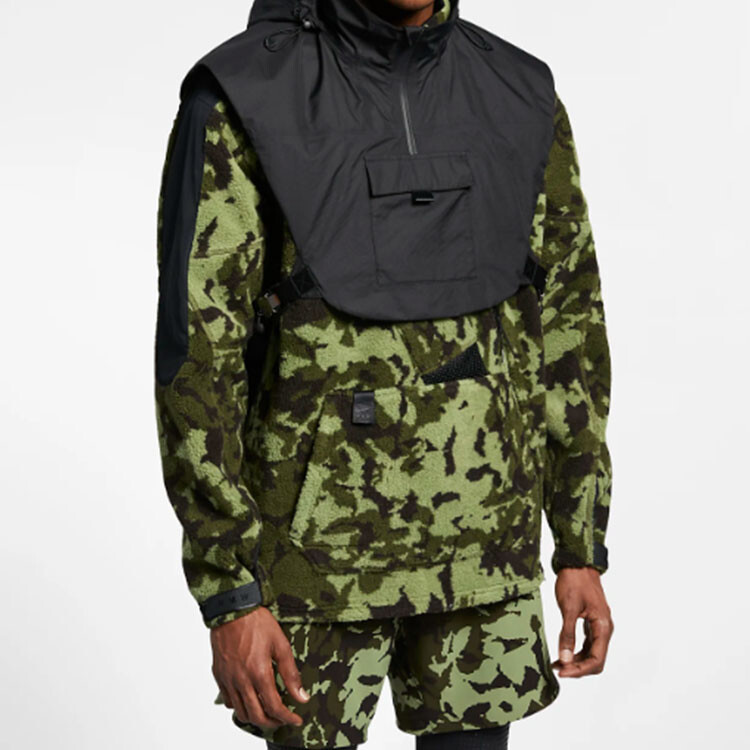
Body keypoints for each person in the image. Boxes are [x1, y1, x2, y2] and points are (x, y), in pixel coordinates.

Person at [153, 0, 615, 748]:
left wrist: (579, 543)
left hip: (485, 553)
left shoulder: (521, 91)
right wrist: (230, 590)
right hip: (314, 565)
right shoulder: (243, 94)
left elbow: (567, 323)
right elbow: (198, 353)